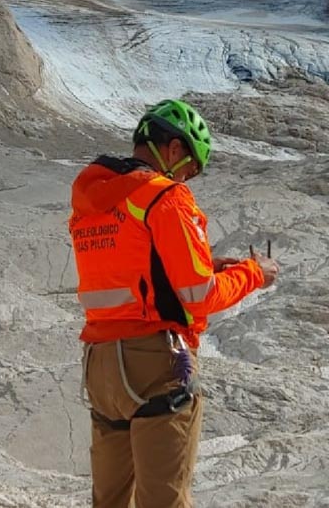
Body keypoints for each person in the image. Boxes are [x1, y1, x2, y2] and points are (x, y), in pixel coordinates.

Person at [68, 98, 278, 508]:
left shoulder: (93, 198)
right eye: (190, 170)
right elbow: (199, 296)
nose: (187, 180)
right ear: (175, 149)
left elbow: (129, 267)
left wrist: (206, 263)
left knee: (109, 500)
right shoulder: (165, 197)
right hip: (155, 363)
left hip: (100, 365)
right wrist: (255, 273)